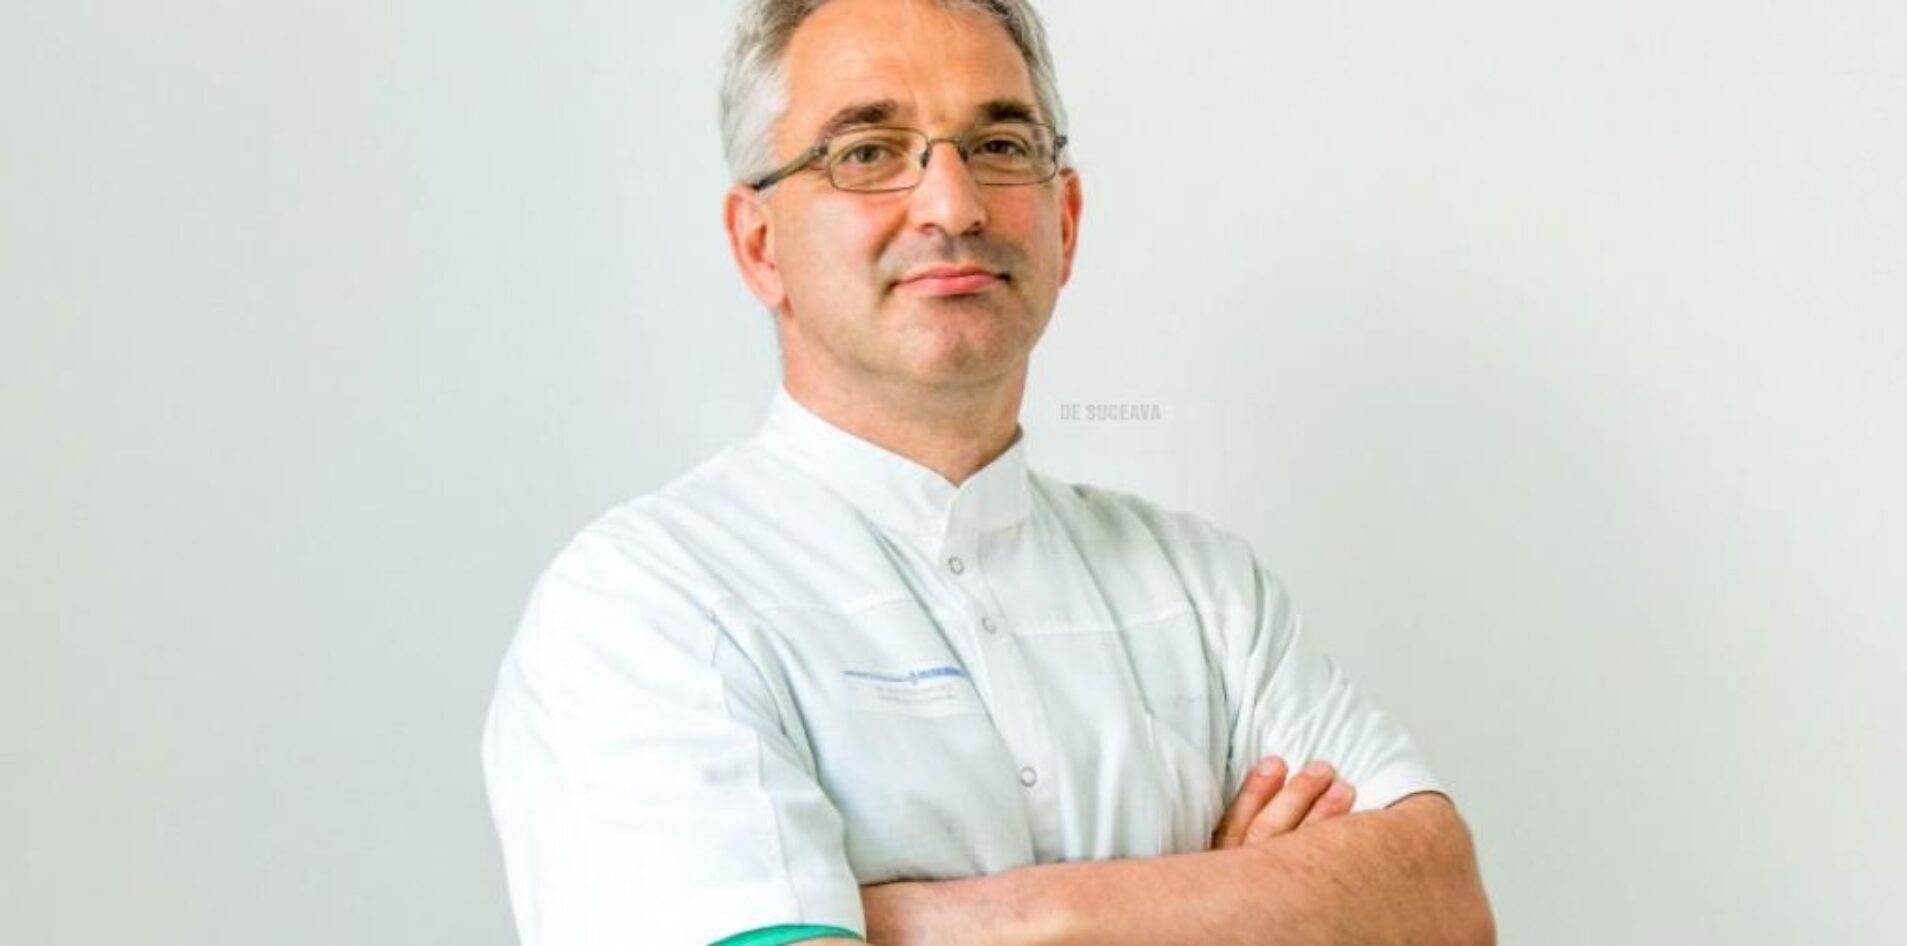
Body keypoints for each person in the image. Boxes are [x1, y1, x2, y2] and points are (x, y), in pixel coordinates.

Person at [481, 1, 1495, 943]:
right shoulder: (649, 608)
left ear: (1066, 221)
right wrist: (1237, 900)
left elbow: (1445, 902)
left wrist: (977, 921)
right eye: (867, 151)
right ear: (759, 246)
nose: (952, 204)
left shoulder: (1208, 593)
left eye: (1001, 146)